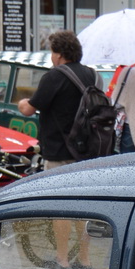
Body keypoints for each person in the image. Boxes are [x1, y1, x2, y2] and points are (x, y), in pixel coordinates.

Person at [17, 29, 97, 169]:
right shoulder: (91, 74)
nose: (52, 57)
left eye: (52, 52)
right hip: (85, 149)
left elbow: (28, 110)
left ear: (59, 54)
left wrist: (21, 102)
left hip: (60, 152)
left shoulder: (54, 77)